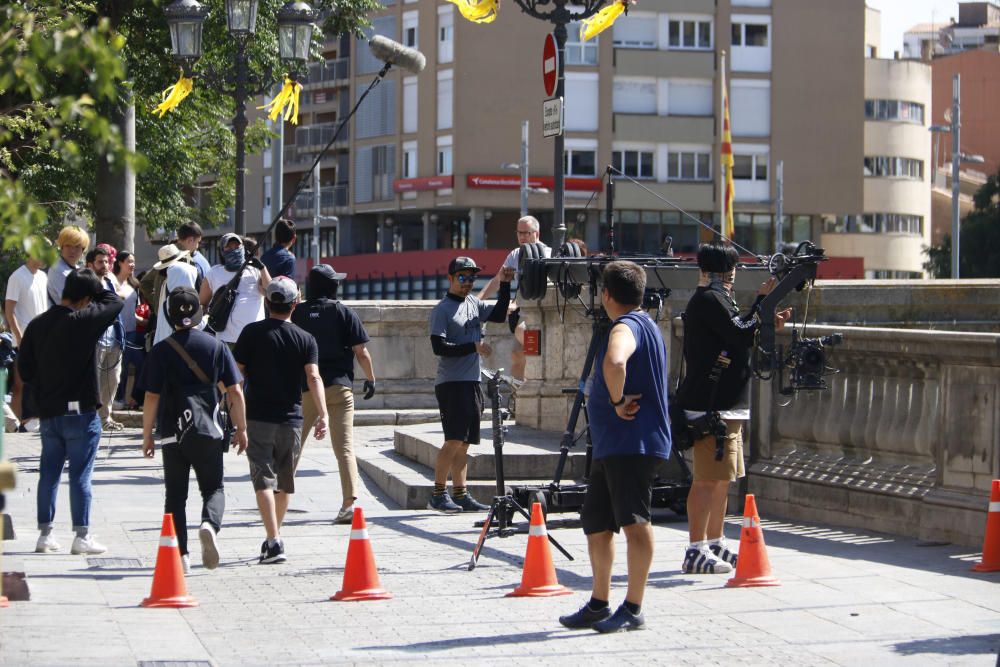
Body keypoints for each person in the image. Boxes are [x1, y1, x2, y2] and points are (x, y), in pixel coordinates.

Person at [558, 260, 671, 633]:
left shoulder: (625, 327)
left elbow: (614, 360)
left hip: (631, 444)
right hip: (616, 446)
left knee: (635, 523)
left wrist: (618, 400)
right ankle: (599, 602)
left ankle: (634, 607)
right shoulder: (649, 324)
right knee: (598, 523)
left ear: (606, 295)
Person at [676, 243, 790, 574]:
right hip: (711, 405)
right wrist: (764, 303)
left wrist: (764, 313)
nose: (734, 273)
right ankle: (695, 549)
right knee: (707, 480)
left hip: (727, 404)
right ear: (726, 271)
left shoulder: (720, 300)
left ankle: (714, 541)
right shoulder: (709, 300)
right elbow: (739, 333)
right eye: (732, 268)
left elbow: (738, 328)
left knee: (724, 479)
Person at [141, 287, 248, 573]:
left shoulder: (161, 350)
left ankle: (181, 556)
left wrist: (147, 434)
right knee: (213, 487)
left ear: (169, 315)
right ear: (200, 314)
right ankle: (209, 524)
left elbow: (151, 396)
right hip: (208, 427)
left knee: (175, 495)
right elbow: (235, 392)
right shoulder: (216, 347)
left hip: (172, 429)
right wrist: (241, 428)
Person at [18, 268, 124, 555]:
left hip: (50, 413)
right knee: (80, 476)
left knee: (48, 474)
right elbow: (116, 303)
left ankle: (45, 534)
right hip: (82, 412)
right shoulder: (83, 321)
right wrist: (100, 283)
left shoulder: (37, 325)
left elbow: (25, 369)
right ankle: (81, 536)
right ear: (87, 298)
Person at [233, 276, 327, 564]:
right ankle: (273, 537)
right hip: (291, 418)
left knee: (262, 477)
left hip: (258, 415)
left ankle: (273, 540)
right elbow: (313, 376)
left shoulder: (251, 333)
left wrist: (235, 418)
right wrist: (322, 413)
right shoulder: (305, 338)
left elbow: (237, 375)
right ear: (295, 304)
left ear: (267, 301)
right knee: (285, 481)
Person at [427, 256, 513, 513]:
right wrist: (472, 347)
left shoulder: (474, 303)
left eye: (472, 278)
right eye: (462, 277)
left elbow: (498, 314)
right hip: (451, 383)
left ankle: (461, 493)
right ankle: (438, 494)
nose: (467, 282)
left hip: (472, 381)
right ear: (451, 278)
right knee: (453, 439)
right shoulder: (441, 310)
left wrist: (506, 285)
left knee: (465, 442)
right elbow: (438, 347)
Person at [291, 264, 376, 524]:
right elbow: (361, 351)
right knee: (345, 448)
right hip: (340, 387)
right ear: (331, 286)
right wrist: (371, 378)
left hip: (307, 387)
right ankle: (348, 504)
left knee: (294, 444)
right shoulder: (343, 312)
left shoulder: (299, 313)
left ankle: (277, 494)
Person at [477, 215, 551, 380]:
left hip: (542, 313)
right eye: (520, 233)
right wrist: (477, 299)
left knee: (524, 335)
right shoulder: (516, 254)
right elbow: (498, 280)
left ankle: (536, 382)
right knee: (517, 354)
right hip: (523, 312)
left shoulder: (547, 254)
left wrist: (516, 302)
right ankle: (519, 396)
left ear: (537, 234)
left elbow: (545, 287)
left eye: (527, 233)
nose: (523, 237)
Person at [201, 233, 271, 346]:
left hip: (255, 338)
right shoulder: (214, 273)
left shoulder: (255, 271)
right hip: (225, 339)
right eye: (228, 246)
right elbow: (202, 303)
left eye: (237, 246)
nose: (233, 249)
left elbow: (270, 292)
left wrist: (262, 268)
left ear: (243, 247)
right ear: (222, 251)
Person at [4, 254, 48, 426]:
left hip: (41, 339)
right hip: (22, 340)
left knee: (37, 382)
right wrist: (20, 337)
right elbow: (9, 310)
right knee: (19, 384)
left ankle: (31, 421)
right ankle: (16, 424)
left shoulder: (43, 276)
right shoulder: (17, 276)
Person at [86, 246, 126, 431]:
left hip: (114, 338)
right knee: (94, 382)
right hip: (96, 339)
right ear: (90, 264)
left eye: (107, 261)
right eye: (100, 262)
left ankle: (105, 418)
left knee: (112, 380)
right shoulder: (87, 284)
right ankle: (91, 419)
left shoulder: (110, 282)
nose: (105, 265)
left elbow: (121, 298)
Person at [113, 251, 147, 410]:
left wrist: (141, 320)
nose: (132, 265)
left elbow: (134, 309)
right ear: (120, 262)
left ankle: (135, 398)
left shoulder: (134, 284)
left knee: (140, 364)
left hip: (132, 331)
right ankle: (118, 398)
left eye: (134, 261)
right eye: (129, 261)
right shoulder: (111, 282)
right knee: (121, 367)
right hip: (115, 331)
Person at [47, 225, 89, 305]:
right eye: (68, 245)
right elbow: (71, 302)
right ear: (62, 247)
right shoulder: (57, 269)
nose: (72, 250)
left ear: (82, 250)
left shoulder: (78, 269)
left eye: (77, 247)